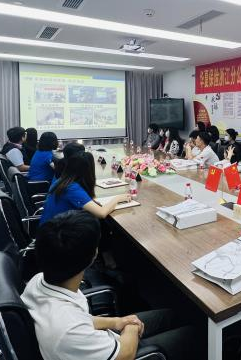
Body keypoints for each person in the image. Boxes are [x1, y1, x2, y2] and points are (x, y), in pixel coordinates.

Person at [22, 210, 198, 360]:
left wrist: (117, 321)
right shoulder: (68, 329)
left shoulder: (38, 281)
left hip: (93, 343)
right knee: (193, 334)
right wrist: (131, 326)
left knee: (170, 315)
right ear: (92, 256)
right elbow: (126, 354)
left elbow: (81, 320)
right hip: (117, 350)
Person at [40, 153, 129, 225]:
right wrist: (117, 198)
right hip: (57, 236)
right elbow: (101, 213)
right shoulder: (72, 188)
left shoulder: (63, 180)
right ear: (88, 170)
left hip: (51, 229)